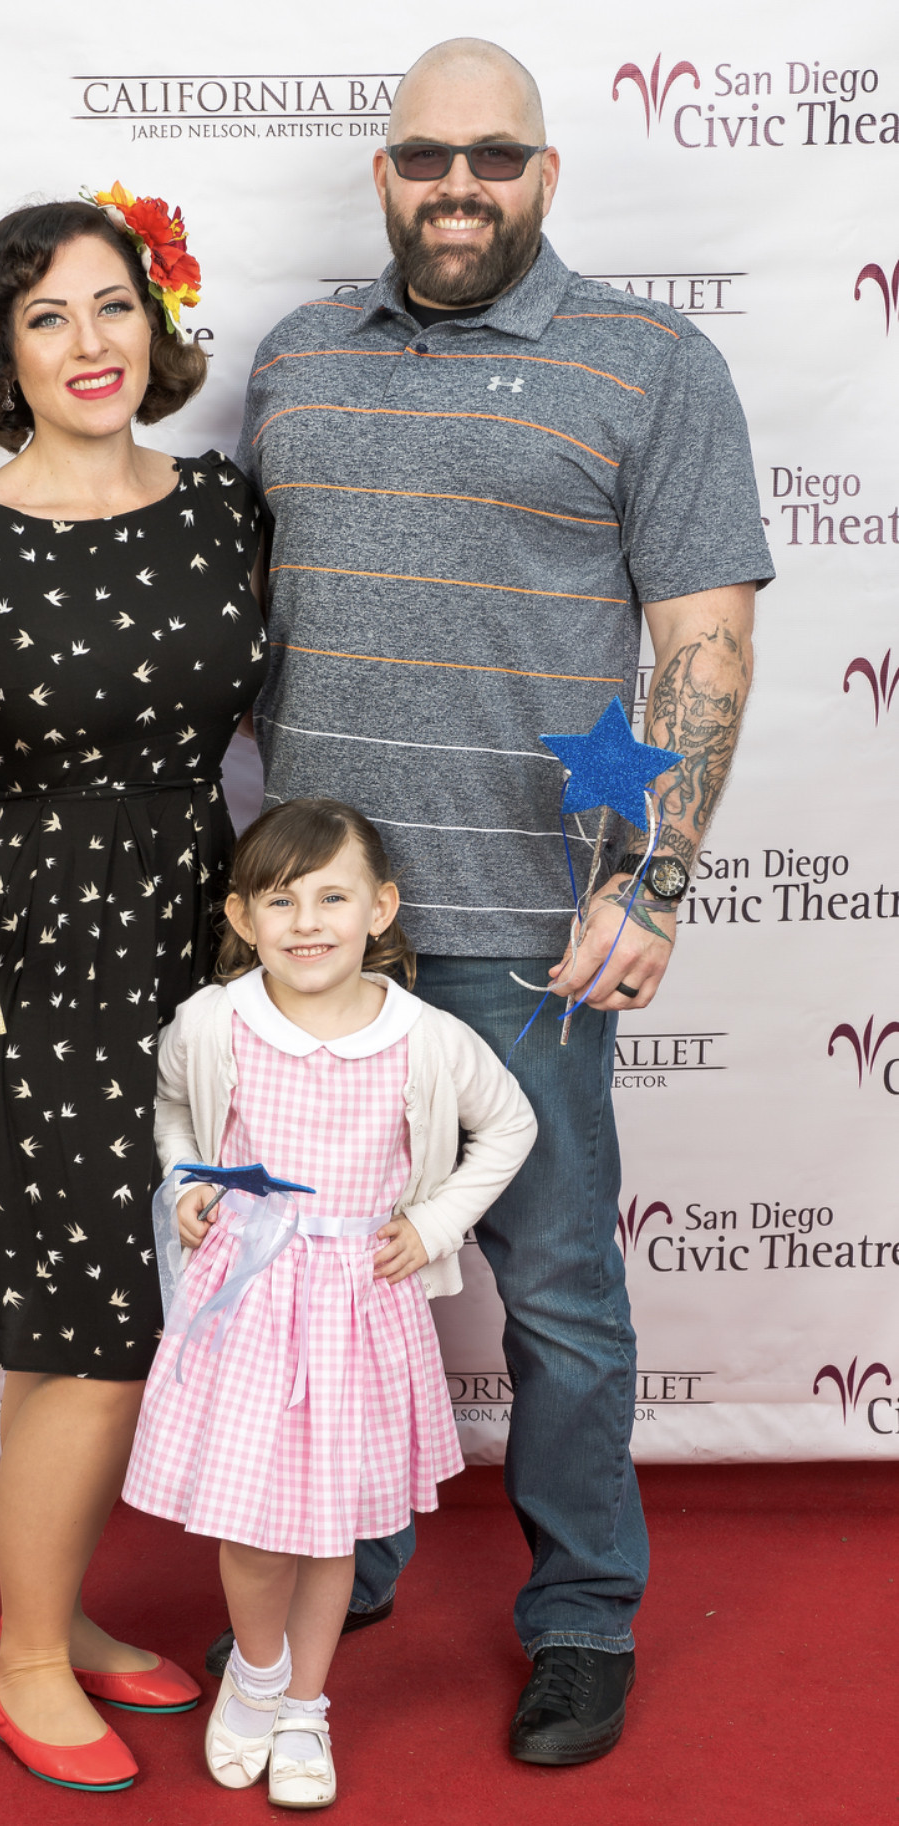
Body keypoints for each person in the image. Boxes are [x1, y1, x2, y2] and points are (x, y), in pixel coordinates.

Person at [222, 37, 774, 1765]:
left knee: (555, 1296)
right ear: (383, 173)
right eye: (424, 156)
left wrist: (656, 879)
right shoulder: (295, 355)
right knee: (322, 1271)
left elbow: (704, 638)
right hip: (316, 935)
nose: (456, 185)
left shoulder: (650, 363)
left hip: (523, 931)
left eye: (494, 155)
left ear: (545, 173)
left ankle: (584, 1611)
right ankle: (353, 1552)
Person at [0, 192, 268, 1792]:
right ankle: (22, 1664)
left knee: (99, 1310)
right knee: (96, 1319)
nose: (89, 344)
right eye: (46, 317)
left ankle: (56, 1611)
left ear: (155, 322)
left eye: (112, 305)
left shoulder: (222, 504)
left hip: (202, 932)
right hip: (49, 957)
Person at [121, 797, 536, 1805]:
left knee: (328, 1526)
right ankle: (258, 1675)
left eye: (332, 897)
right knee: (254, 1523)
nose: (307, 922)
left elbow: (510, 1124)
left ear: (380, 908)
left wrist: (436, 1223)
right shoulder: (214, 1021)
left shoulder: (426, 1037)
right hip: (249, 1299)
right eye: (280, 900)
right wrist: (188, 1177)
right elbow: (172, 1107)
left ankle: (307, 1702)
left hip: (358, 1305)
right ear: (241, 916)